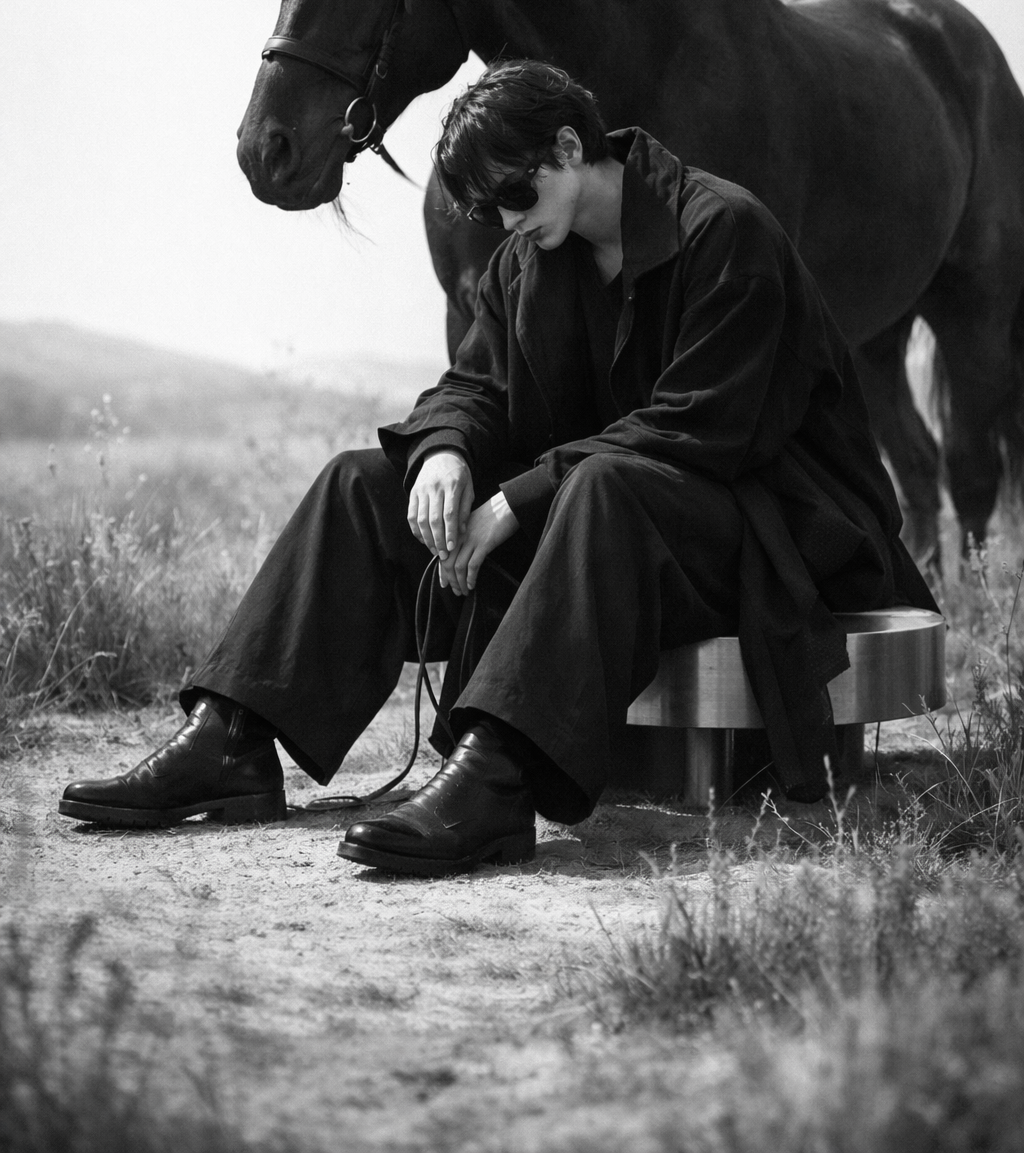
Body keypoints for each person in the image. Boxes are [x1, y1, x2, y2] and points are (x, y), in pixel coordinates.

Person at [59, 60, 937, 875]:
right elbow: (473, 384)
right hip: (612, 525)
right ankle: (231, 743)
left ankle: (497, 779)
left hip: (772, 530)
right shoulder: (531, 257)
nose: (510, 221)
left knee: (602, 487)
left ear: (569, 146)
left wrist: (516, 499)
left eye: (518, 193)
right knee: (361, 484)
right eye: (491, 210)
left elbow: (703, 426)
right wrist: (443, 452)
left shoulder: (724, 230)